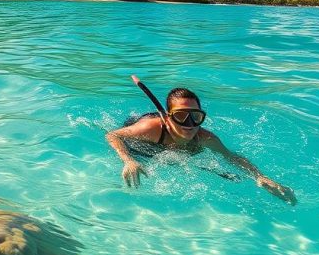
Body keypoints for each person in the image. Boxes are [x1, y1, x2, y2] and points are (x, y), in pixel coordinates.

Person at [105, 87, 297, 205]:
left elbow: (230, 156)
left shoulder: (205, 137)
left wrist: (260, 176)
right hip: (142, 144)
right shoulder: (150, 129)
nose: (189, 125)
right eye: (181, 116)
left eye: (195, 117)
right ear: (168, 118)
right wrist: (128, 160)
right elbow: (112, 135)